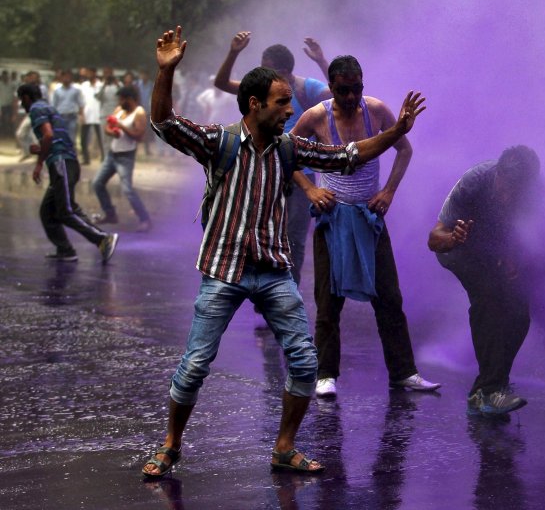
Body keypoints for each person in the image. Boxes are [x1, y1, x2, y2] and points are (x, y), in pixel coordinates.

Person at [141, 25, 426, 478]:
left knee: (304, 359)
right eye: (281, 103)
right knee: (195, 364)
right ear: (255, 105)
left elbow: (347, 155)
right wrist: (165, 74)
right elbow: (164, 123)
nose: (291, 109)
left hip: (272, 269)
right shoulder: (220, 142)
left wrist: (397, 131)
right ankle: (171, 445)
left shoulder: (290, 148)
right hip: (224, 269)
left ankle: (285, 446)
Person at [290, 55, 440, 398]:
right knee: (328, 301)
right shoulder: (316, 116)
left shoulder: (376, 111)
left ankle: (404, 372)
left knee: (389, 296)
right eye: (343, 90)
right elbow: (288, 155)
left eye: (356, 88)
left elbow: (404, 149)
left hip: (369, 218)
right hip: (333, 218)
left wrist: (388, 191)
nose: (350, 97)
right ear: (331, 88)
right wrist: (310, 188)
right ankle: (325, 373)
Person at [214, 32, 334, 287]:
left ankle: (288, 292)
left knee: (294, 237)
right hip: (266, 169)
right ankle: (264, 291)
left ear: (283, 71)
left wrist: (322, 61)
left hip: (303, 174)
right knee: (261, 231)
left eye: (266, 68)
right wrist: (234, 52)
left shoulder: (305, 88)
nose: (261, 73)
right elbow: (222, 83)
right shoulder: (260, 90)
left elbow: (337, 91)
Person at [428, 146, 541, 416]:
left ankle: (489, 387)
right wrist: (454, 238)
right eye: (506, 188)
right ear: (498, 175)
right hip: (458, 249)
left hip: (491, 252)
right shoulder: (474, 182)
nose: (509, 196)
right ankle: (490, 391)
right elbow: (433, 240)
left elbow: (522, 231)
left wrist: (512, 255)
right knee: (488, 300)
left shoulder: (532, 192)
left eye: (518, 191)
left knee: (519, 312)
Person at [16, 83, 118, 263]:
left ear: (25, 98)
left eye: (21, 100)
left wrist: (39, 163)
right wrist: (40, 150)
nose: (21, 104)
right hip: (66, 161)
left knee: (65, 211)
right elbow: (52, 137)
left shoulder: (36, 109)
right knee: (47, 211)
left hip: (61, 161)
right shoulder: (47, 107)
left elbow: (48, 135)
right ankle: (65, 250)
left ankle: (102, 238)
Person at [91, 85, 153, 232]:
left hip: (126, 156)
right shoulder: (119, 110)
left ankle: (145, 219)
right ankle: (110, 214)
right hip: (112, 154)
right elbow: (108, 127)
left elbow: (139, 136)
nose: (119, 101)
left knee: (128, 190)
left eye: (122, 99)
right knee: (97, 183)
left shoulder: (139, 113)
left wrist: (122, 127)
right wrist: (113, 132)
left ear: (129, 99)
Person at [78, 67, 105, 165]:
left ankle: (104, 157)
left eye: (90, 73)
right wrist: (81, 114)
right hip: (86, 114)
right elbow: (80, 101)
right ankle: (86, 158)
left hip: (99, 115)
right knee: (83, 139)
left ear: (94, 73)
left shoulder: (101, 85)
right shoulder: (83, 86)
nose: (88, 75)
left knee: (101, 138)